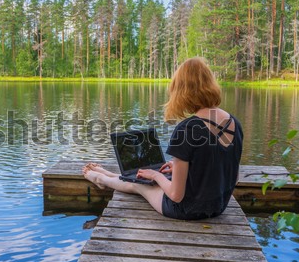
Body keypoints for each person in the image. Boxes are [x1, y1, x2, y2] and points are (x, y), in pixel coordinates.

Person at [83, 57, 243, 220]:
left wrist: (155, 176)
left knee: (138, 183)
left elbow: (176, 196)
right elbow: (233, 177)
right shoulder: (234, 123)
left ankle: (100, 178)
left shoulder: (187, 129)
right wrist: (188, 168)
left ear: (181, 90)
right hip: (219, 206)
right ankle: (107, 174)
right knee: (146, 178)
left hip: (187, 210)